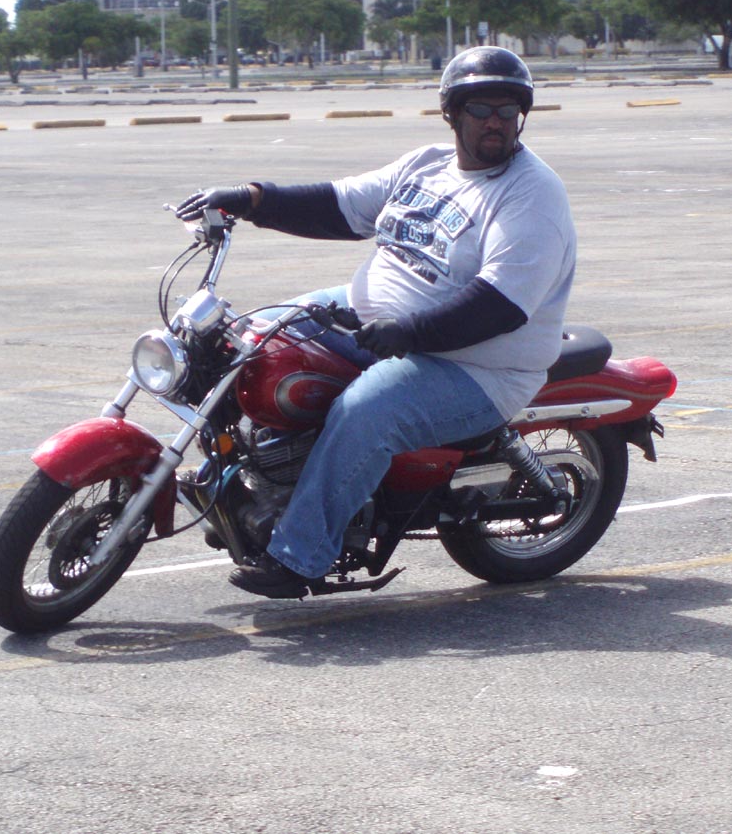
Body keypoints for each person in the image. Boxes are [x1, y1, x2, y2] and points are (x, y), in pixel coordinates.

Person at [174, 46, 577, 599]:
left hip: (477, 365)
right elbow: (340, 205)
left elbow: (500, 304)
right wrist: (251, 199)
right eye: (481, 108)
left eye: (508, 110)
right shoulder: (427, 165)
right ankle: (248, 474)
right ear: (451, 113)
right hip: (380, 321)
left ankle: (301, 556)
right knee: (252, 335)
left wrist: (410, 333)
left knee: (365, 411)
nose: (496, 122)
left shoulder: (532, 194)